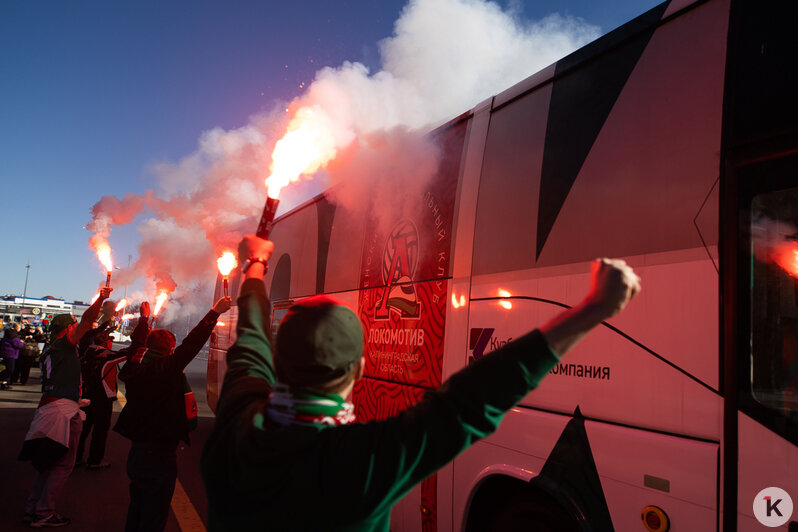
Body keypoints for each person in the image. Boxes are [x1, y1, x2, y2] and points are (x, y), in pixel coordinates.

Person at [200, 236, 641, 531]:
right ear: (357, 369)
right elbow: (471, 399)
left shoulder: (237, 419)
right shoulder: (360, 463)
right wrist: (592, 308)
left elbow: (251, 334)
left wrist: (254, 267)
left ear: (278, 361)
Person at [114, 295, 232, 532]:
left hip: (137, 452)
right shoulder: (165, 369)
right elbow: (191, 344)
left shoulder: (134, 367)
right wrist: (214, 312)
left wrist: (145, 320)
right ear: (169, 349)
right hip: (159, 454)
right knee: (154, 514)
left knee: (137, 507)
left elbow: (138, 346)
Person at [19, 286, 113, 528]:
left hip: (50, 409)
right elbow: (87, 321)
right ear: (67, 329)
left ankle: (34, 508)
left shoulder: (53, 348)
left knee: (47, 461)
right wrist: (101, 299)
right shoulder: (63, 344)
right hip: (60, 410)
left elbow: (89, 325)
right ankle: (44, 512)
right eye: (73, 326)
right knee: (62, 465)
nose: (78, 329)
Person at [75, 309, 127, 469]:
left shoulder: (85, 352)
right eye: (107, 338)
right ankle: (95, 461)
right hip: (102, 399)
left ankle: (76, 458)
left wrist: (109, 324)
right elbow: (130, 353)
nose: (110, 339)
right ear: (103, 342)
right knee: (100, 430)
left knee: (83, 430)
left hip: (87, 395)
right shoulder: (104, 356)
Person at [0, 323, 24, 389]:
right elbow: (17, 345)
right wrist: (22, 343)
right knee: (10, 369)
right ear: (17, 328)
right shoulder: (13, 336)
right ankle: (2, 380)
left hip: (6, 353)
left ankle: (4, 384)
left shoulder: (7, 333)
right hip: (10, 354)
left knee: (7, 369)